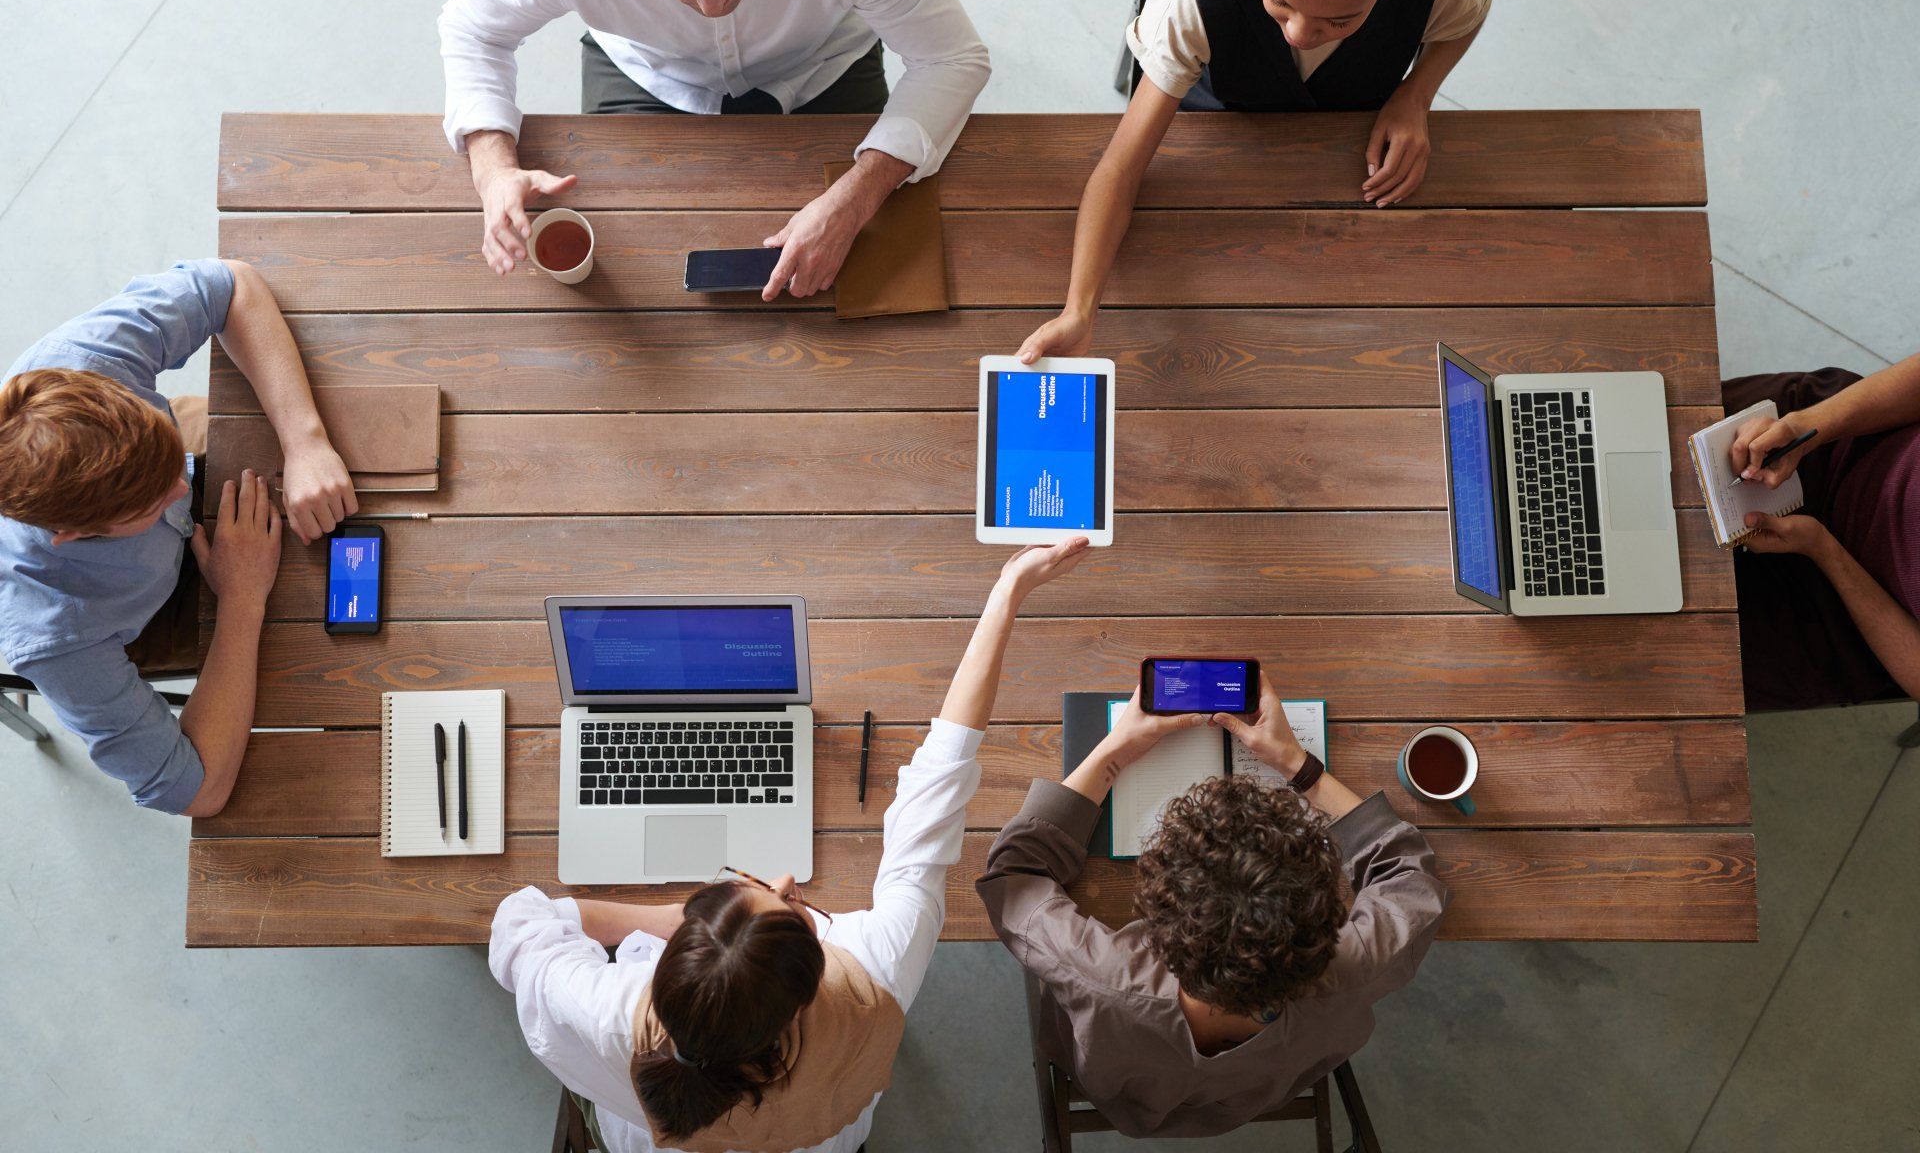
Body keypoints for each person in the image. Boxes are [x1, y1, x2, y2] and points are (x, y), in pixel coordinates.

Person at [488, 536, 1091, 1153]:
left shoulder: (611, 1013)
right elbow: (936, 790)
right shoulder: (874, 974)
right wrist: (1007, 592)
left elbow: (516, 924)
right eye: (795, 907)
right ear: (810, 981)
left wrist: (675, 919)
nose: (783, 882)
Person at [438, 0, 991, 300]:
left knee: (878, 260)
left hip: (822, 65)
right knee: (631, 262)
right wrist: (493, 168)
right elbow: (471, 29)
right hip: (649, 74)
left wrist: (857, 193)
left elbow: (951, 56)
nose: (712, 6)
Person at [1018, 0, 1491, 363]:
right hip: (1220, 129)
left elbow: (1470, 11)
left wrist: (1417, 94)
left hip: (1343, 153)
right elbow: (1118, 167)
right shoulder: (1194, 0)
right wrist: (1079, 310)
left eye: (1339, 20)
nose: (1300, 34)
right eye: (1280, 1)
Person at [977, 671, 1447, 1138]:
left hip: (1131, 1102)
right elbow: (1410, 875)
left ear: (1155, 923)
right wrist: (1296, 764)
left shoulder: (1096, 972)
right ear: (1326, 918)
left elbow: (1015, 874)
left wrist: (1115, 751)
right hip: (1266, 1089)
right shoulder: (1358, 967)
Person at [0, 260, 356, 815]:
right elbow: (192, 789)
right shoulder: (58, 636)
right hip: (139, 615)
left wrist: (305, 442)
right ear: (70, 535)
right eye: (155, 500)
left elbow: (232, 283)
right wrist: (240, 601)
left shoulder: (77, 366)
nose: (181, 488)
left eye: (170, 460)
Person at [1721, 355, 1920, 712]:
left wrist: (1823, 549)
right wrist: (1806, 425)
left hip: (1848, 616)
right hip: (1848, 440)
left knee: (1671, 657)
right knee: (1664, 426)